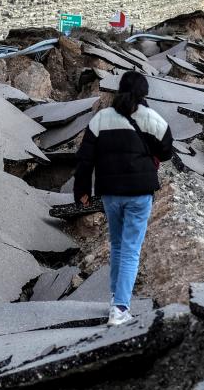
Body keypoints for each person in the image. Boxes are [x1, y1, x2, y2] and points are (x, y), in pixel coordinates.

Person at [73, 72, 174, 327]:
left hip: (111, 193)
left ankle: (115, 299)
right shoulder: (150, 117)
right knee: (130, 249)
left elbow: (85, 159)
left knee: (117, 246)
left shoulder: (101, 118)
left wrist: (82, 190)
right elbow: (167, 150)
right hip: (140, 193)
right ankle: (120, 309)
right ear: (143, 92)